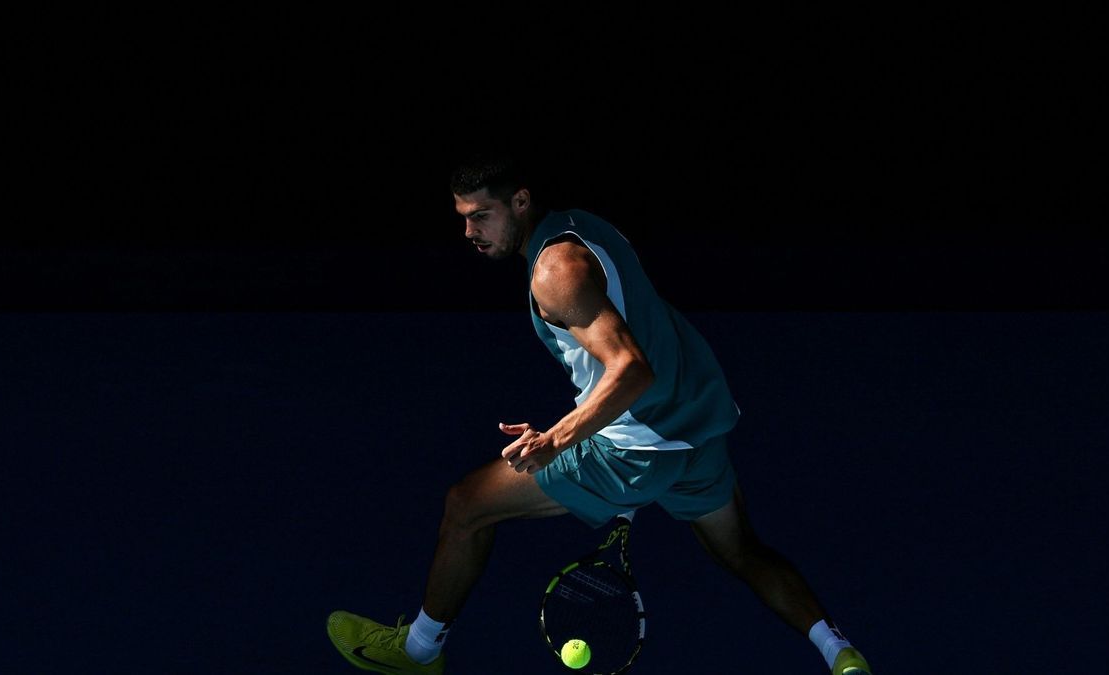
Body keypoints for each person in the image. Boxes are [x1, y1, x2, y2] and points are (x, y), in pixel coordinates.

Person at [326, 155, 873, 675]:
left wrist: (556, 441)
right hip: (697, 429)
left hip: (635, 448)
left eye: (481, 217)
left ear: (520, 201)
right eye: (463, 219)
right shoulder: (581, 226)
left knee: (466, 505)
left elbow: (631, 370)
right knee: (741, 551)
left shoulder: (553, 273)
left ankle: (418, 652)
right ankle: (838, 652)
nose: (470, 233)